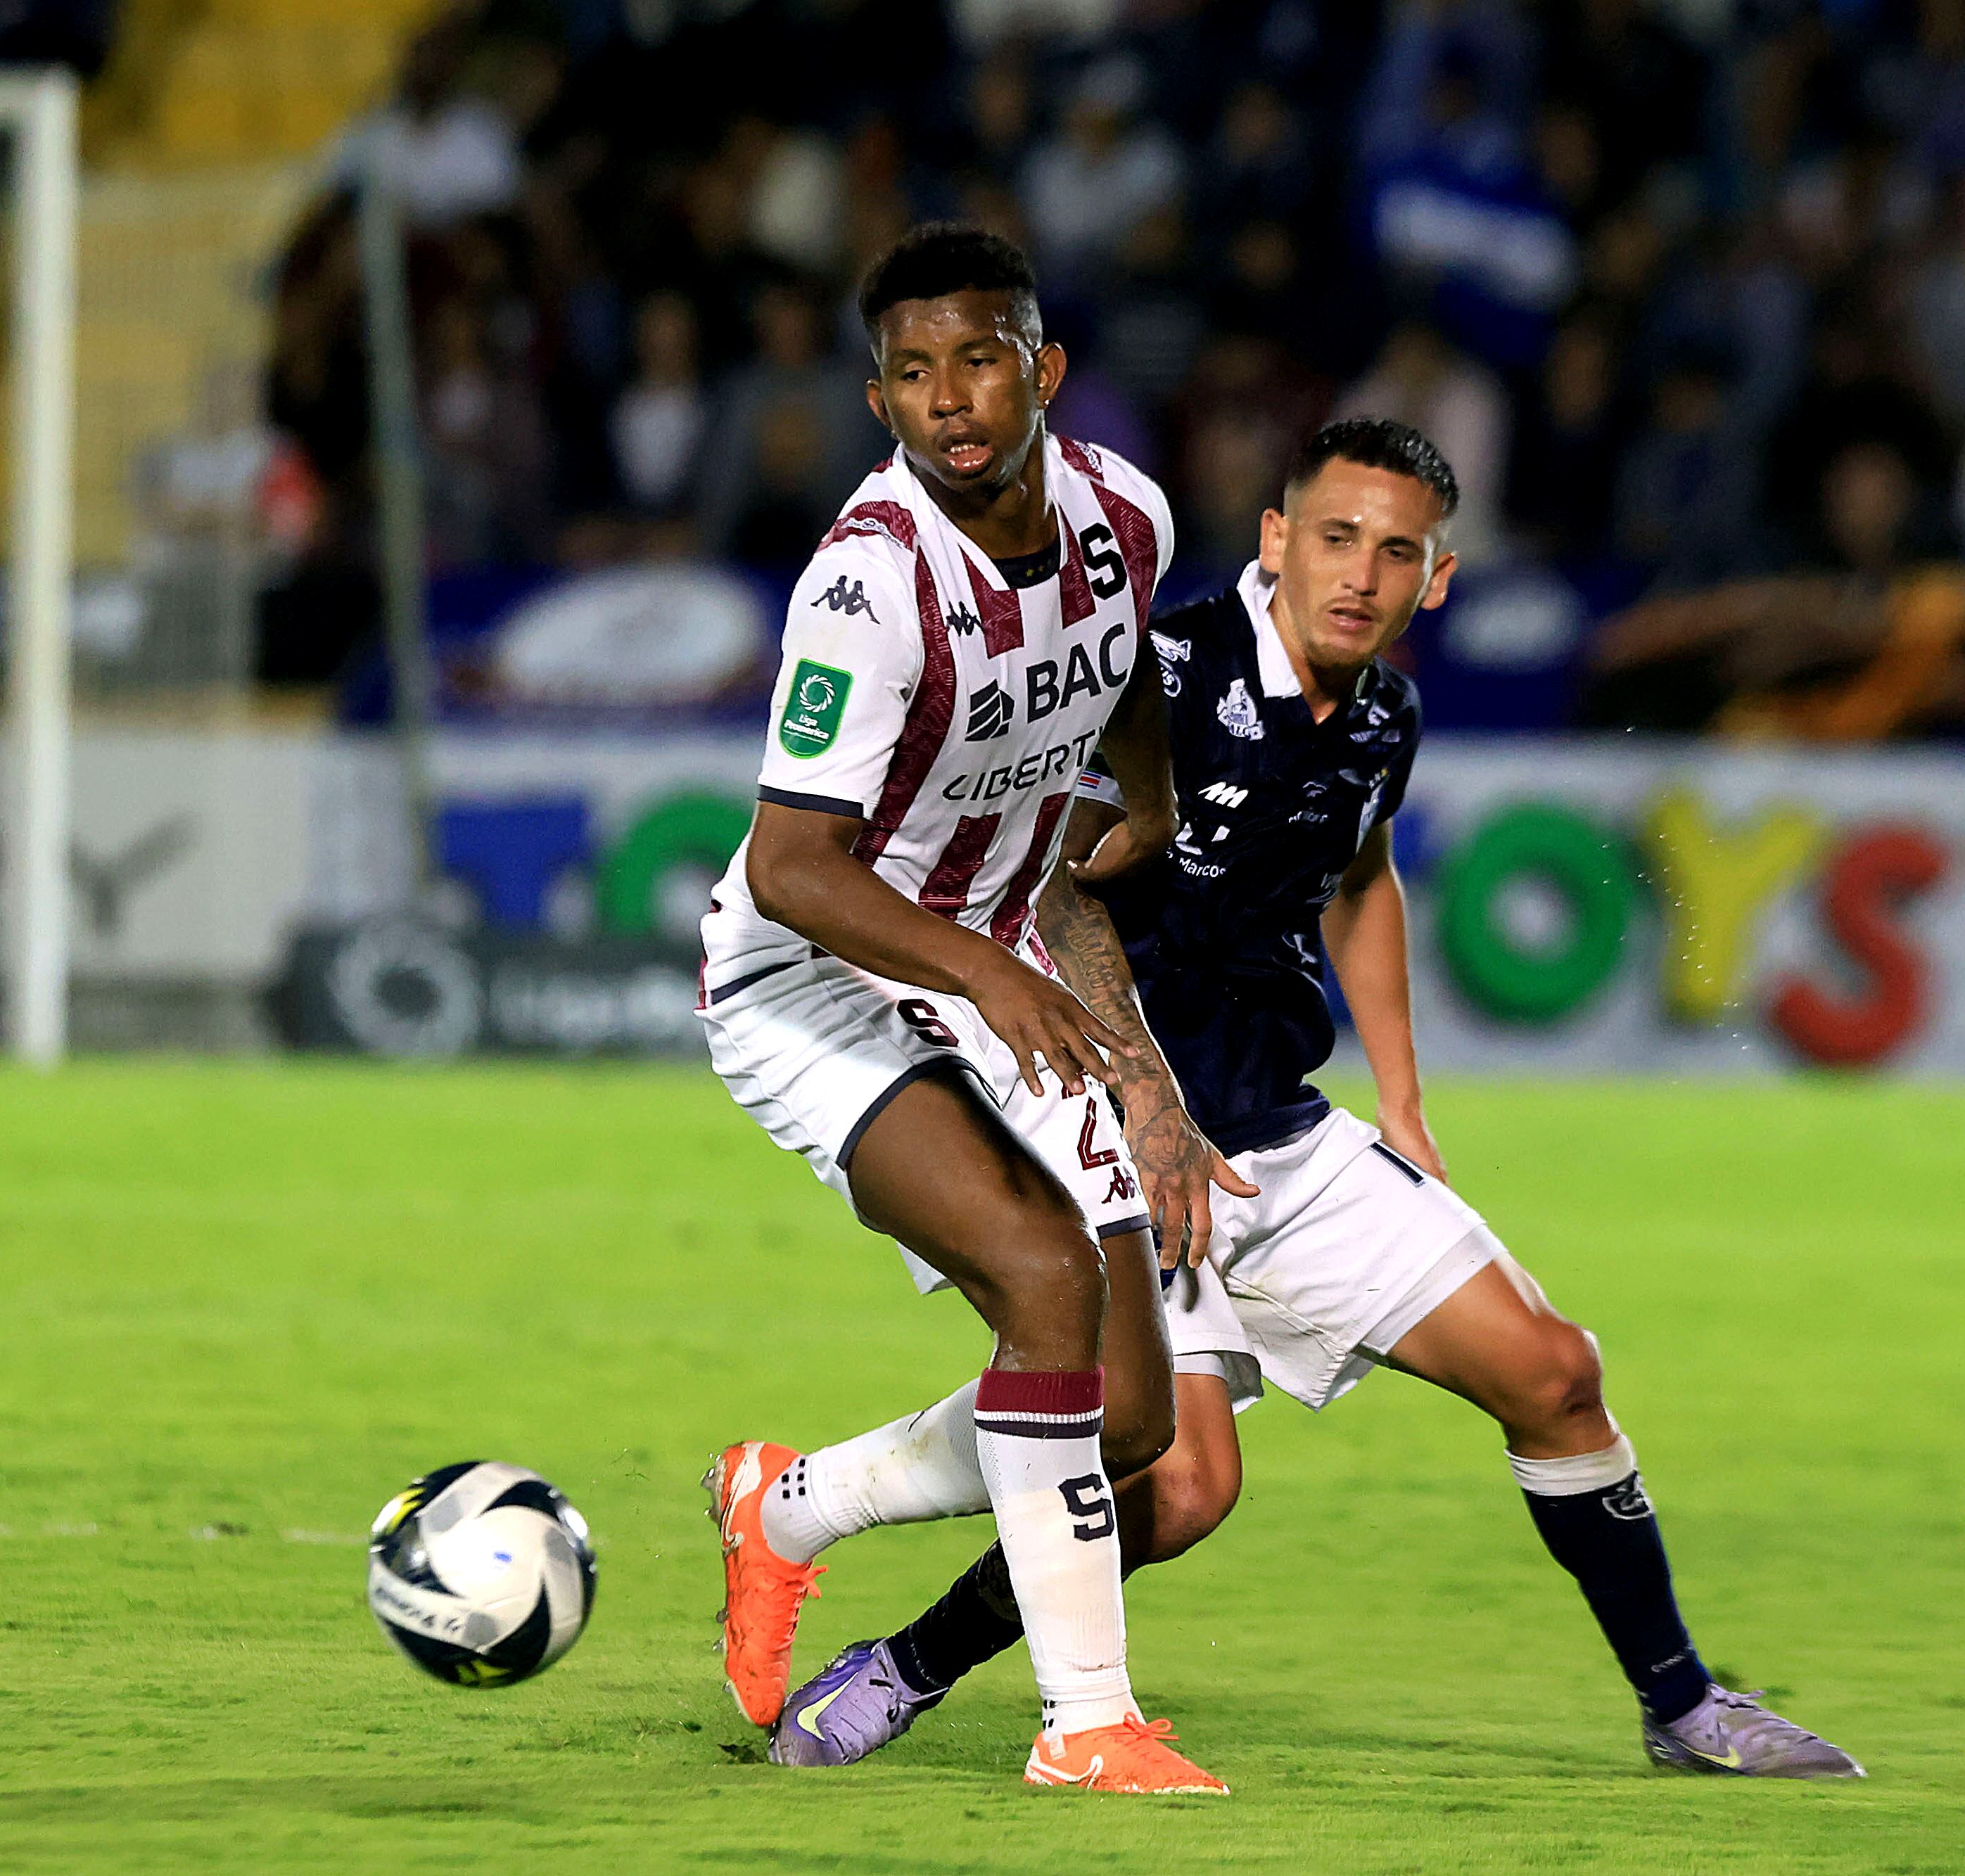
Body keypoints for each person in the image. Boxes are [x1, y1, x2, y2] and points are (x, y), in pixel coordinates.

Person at [755, 419, 1863, 1783]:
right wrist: (1138, 1104)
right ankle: (899, 1663)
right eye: (1333, 537)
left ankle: (1683, 1707)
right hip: (1122, 1128)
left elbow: (1360, 878)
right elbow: (1040, 875)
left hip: (1278, 1126)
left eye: (1395, 551)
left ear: (1435, 578)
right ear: (1273, 538)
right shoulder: (1153, 669)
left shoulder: (1382, 717)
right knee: (1173, 1480)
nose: (1359, 572)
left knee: (1555, 1373)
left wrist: (1401, 1101)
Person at [695, 222, 1242, 1796]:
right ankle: (1086, 1722)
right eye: (914, 374)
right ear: (878, 403)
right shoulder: (866, 587)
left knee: (1128, 1414)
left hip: (990, 960)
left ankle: (788, 1504)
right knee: (1037, 1272)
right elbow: (795, 867)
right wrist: (1002, 971)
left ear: (1041, 369)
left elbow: (1120, 658)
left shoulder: (1119, 514)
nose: (950, 399)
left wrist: (1138, 790)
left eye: (978, 359)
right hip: (815, 975)